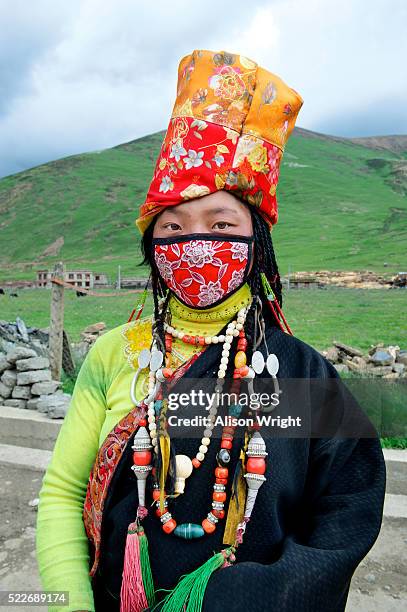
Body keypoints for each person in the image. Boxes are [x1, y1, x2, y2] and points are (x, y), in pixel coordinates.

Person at [36, 49, 386, 612]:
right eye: (172, 227)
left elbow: (346, 510)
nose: (195, 244)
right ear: (153, 248)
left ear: (256, 242)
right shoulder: (113, 355)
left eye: (221, 225)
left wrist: (253, 596)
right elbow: (62, 494)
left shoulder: (301, 373)